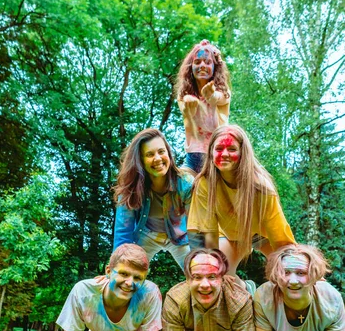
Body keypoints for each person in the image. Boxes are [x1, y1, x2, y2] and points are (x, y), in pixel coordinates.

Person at [187, 124, 295, 275]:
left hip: (262, 235)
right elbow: (208, 233)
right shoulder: (205, 183)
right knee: (219, 273)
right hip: (229, 234)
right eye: (219, 149)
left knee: (287, 271)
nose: (224, 154)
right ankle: (245, 289)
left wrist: (297, 264)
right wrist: (209, 266)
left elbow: (280, 236)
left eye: (231, 149)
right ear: (211, 152)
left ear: (242, 152)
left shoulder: (261, 186)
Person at [113, 128, 194, 270]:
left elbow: (195, 225)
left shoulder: (185, 183)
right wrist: (116, 268)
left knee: (197, 271)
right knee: (127, 270)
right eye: (150, 154)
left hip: (180, 235)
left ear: (168, 153)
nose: (157, 158)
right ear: (141, 161)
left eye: (161, 151)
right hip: (147, 234)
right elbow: (123, 232)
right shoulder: (129, 188)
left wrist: (202, 258)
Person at [175, 39, 231, 174]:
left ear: (215, 67)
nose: (202, 65)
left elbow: (219, 99)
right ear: (190, 67)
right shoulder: (184, 94)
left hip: (217, 155)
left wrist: (210, 95)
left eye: (208, 62)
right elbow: (186, 110)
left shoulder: (223, 91)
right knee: (180, 184)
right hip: (193, 157)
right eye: (197, 62)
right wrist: (189, 103)